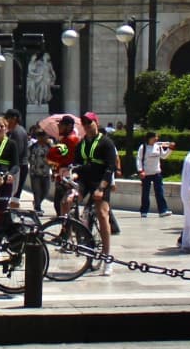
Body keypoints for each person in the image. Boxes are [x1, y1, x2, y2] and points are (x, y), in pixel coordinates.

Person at [75, 111, 118, 276]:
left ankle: (107, 258)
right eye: (84, 124)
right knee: (68, 199)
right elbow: (77, 164)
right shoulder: (82, 143)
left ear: (96, 123)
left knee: (102, 214)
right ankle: (73, 230)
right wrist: (71, 174)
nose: (87, 127)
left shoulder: (106, 143)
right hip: (85, 181)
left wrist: (101, 188)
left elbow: (110, 167)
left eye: (90, 123)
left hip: (100, 181)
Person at [47, 115, 82, 215]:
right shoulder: (72, 139)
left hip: (66, 177)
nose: (58, 127)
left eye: (61, 125)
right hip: (67, 175)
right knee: (66, 205)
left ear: (69, 126)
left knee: (61, 205)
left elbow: (51, 156)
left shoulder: (68, 141)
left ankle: (67, 228)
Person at [136, 131, 174, 217]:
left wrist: (170, 149)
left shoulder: (158, 147)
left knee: (160, 192)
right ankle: (144, 211)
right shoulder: (143, 147)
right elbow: (138, 159)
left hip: (157, 173)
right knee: (145, 193)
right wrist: (140, 170)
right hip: (146, 174)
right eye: (155, 137)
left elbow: (163, 156)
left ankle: (163, 210)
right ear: (150, 138)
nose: (156, 139)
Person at [4, 109, 30, 198]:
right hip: (20, 165)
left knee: (13, 194)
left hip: (19, 166)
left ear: (14, 119)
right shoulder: (17, 130)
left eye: (7, 118)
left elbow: (17, 151)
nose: (6, 121)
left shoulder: (17, 132)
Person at [26, 127, 53, 213]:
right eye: (39, 136)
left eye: (43, 135)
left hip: (46, 173)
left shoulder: (50, 147)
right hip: (35, 173)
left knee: (45, 191)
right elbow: (28, 158)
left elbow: (54, 159)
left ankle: (37, 203)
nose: (41, 138)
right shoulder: (32, 146)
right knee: (37, 192)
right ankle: (37, 208)